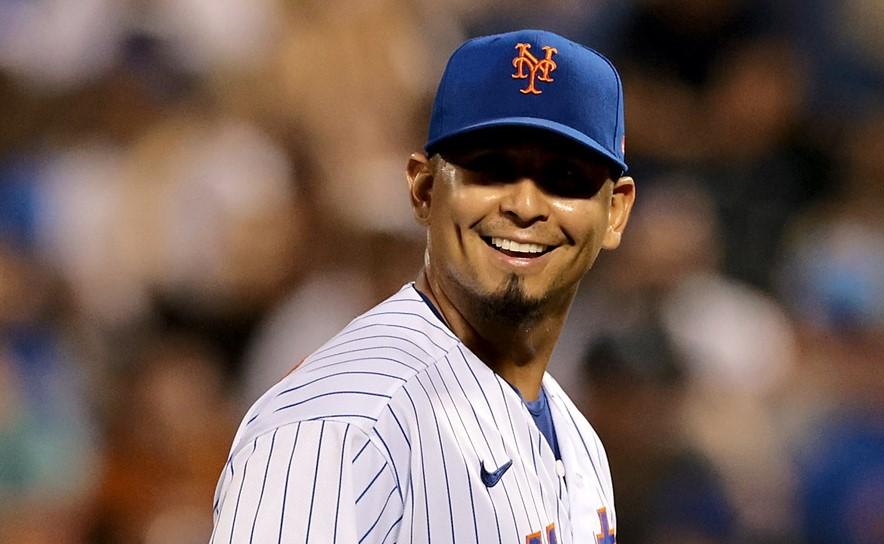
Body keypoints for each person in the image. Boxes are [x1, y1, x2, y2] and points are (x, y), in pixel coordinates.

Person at [209, 29, 635, 543]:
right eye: (491, 171)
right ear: (425, 189)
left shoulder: (578, 439)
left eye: (565, 177)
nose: (524, 206)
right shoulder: (342, 424)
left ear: (615, 212)